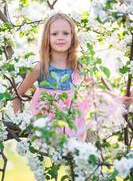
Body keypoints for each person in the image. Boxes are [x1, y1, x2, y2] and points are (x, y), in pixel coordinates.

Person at [13, 13, 132, 142]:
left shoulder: (77, 66)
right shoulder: (40, 68)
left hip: (73, 118)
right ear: (47, 38)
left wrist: (117, 98)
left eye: (65, 33)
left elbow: (94, 87)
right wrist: (21, 121)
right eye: (54, 34)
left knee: (75, 153)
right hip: (47, 122)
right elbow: (17, 95)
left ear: (72, 37)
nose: (60, 37)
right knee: (54, 154)